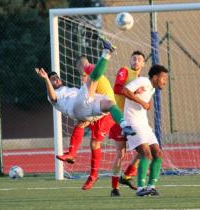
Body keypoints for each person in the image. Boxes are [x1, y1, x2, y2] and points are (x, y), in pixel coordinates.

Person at [56, 55, 118, 190]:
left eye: (82, 71)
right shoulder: (86, 78)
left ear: (86, 65)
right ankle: (72, 153)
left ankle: (93, 175)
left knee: (95, 142)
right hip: (95, 108)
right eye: (80, 72)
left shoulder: (94, 73)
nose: (82, 75)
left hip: (105, 112)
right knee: (80, 123)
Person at [122, 64, 169, 196]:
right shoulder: (143, 81)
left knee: (157, 153)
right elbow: (125, 91)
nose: (165, 81)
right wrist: (142, 103)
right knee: (146, 154)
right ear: (154, 77)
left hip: (144, 125)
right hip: (132, 123)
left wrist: (145, 103)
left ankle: (151, 186)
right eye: (163, 78)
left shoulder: (152, 89)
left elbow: (144, 99)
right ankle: (141, 188)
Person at [109, 51, 146, 197]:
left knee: (144, 149)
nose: (136, 61)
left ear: (143, 63)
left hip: (134, 119)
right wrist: (135, 92)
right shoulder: (125, 70)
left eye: (139, 59)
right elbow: (117, 88)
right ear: (130, 61)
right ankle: (114, 188)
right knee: (121, 153)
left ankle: (127, 175)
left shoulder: (143, 80)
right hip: (120, 119)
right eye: (134, 58)